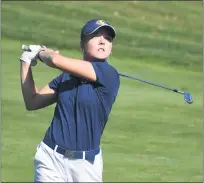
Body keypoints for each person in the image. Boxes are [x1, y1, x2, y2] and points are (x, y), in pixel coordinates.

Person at [20, 19, 120, 182]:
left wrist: (42, 53)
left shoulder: (109, 74)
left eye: (108, 38)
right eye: (96, 36)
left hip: (85, 165)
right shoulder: (66, 76)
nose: (103, 41)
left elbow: (55, 61)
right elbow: (33, 101)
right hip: (50, 158)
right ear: (82, 44)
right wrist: (25, 62)